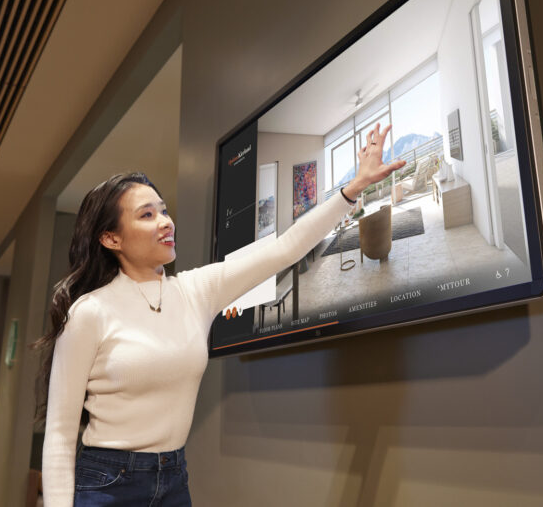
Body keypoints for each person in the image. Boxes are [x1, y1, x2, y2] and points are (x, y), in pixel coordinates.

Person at [33, 123, 403, 506]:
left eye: (163, 210)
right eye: (146, 215)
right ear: (111, 239)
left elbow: (286, 248)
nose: (165, 221)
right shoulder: (89, 313)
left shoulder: (197, 289)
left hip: (174, 478)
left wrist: (353, 188)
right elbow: (59, 436)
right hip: (109, 481)